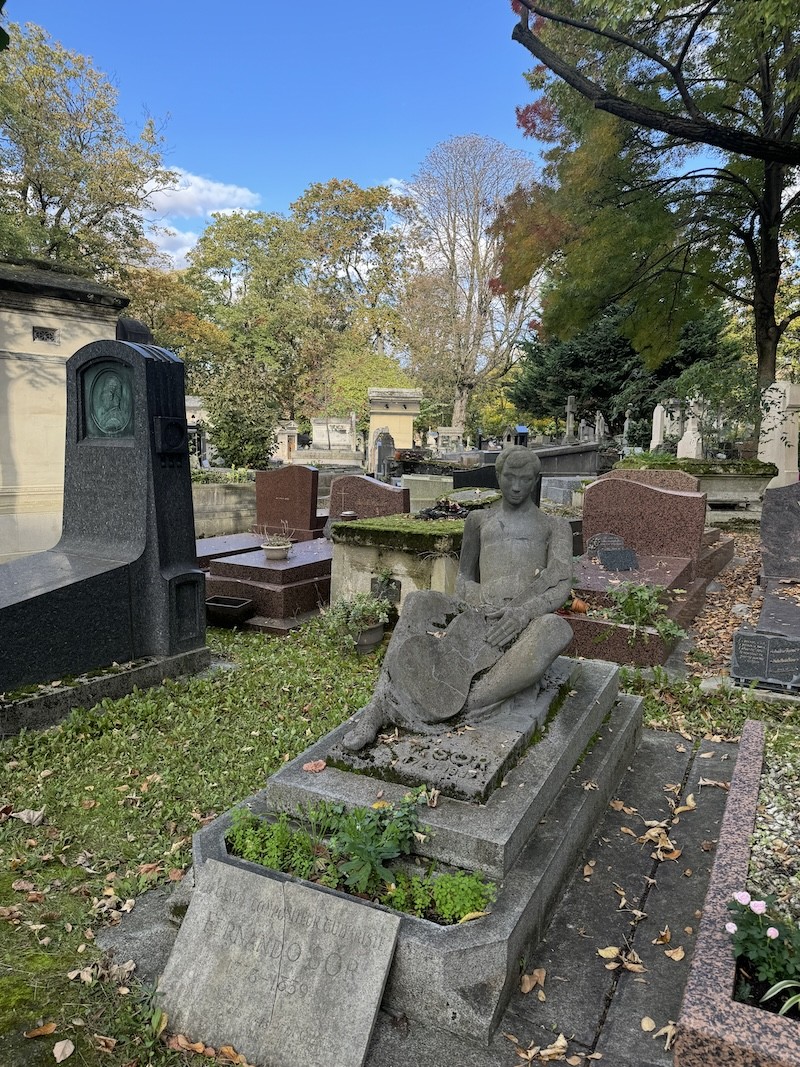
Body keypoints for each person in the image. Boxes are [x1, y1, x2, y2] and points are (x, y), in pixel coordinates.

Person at [342, 446, 574, 751]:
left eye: (526, 479)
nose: (517, 486)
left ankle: (463, 704)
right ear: (498, 475)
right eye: (510, 477)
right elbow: (463, 576)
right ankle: (379, 706)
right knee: (418, 602)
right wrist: (471, 593)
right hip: (476, 614)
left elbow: (561, 585)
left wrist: (524, 613)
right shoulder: (478, 520)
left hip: (522, 622)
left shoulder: (555, 526)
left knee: (555, 630)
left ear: (536, 479)